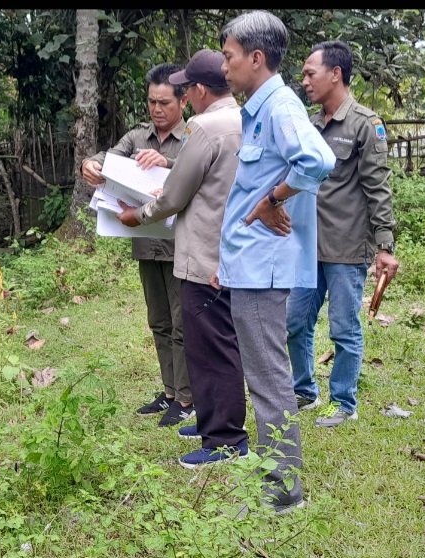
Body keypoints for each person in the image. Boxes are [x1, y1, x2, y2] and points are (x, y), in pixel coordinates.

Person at [211, 10, 336, 513]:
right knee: (265, 371)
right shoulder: (261, 109)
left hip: (264, 266)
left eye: (229, 56)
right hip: (251, 262)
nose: (225, 67)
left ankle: (283, 488)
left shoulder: (281, 107)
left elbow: (318, 161)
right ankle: (276, 476)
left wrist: (272, 201)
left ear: (255, 58)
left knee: (267, 375)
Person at [112, 49, 246, 464]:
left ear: (199, 91)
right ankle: (209, 422)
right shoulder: (242, 119)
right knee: (211, 344)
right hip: (227, 251)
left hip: (203, 254)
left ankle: (225, 440)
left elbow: (173, 196)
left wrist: (138, 215)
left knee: (211, 347)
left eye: (184, 90)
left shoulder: (205, 128)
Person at [287, 40, 399, 427]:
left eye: (310, 73)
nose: (304, 81)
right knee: (294, 321)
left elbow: (378, 187)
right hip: (307, 245)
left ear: (336, 74)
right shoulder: (310, 124)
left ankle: (344, 402)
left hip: (347, 247)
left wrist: (385, 244)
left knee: (343, 328)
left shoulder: (365, 124)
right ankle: (303, 391)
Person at [81, 64, 195, 427]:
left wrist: (168, 162)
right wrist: (91, 163)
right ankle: (169, 392)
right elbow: (108, 158)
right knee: (159, 320)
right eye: (151, 102)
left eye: (164, 102)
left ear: (183, 100)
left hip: (182, 243)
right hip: (147, 240)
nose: (157, 109)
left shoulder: (194, 136)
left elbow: (206, 170)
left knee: (182, 323)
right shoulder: (136, 137)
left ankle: (188, 398)